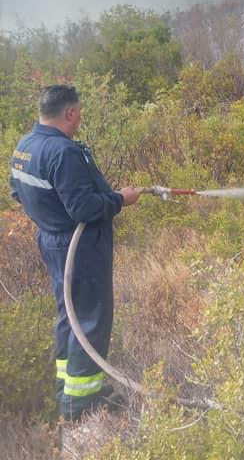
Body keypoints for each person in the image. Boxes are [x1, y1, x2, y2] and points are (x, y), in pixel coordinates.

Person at [9, 85, 141, 421]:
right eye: (78, 112)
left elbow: (17, 191)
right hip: (78, 247)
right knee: (90, 318)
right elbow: (83, 208)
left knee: (69, 315)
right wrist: (120, 199)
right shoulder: (63, 152)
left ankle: (68, 392)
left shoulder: (25, 146)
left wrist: (48, 216)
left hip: (52, 241)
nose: (80, 117)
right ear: (69, 113)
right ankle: (82, 403)